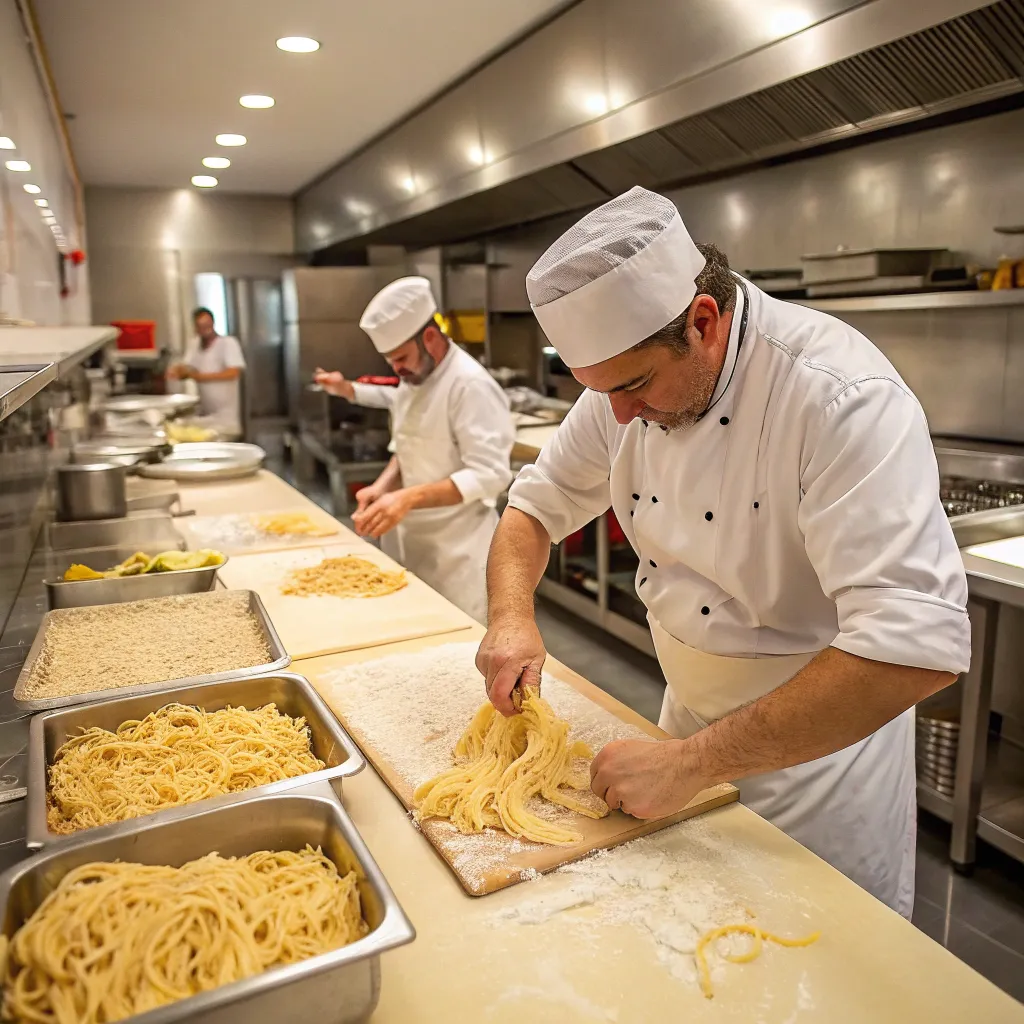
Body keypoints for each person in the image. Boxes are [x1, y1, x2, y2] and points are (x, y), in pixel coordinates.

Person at [475, 186, 970, 917]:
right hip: (680, 734)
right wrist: (510, 615)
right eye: (596, 390)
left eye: (634, 385)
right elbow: (533, 509)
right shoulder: (622, 389)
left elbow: (913, 650)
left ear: (704, 321)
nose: (619, 416)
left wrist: (695, 764)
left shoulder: (839, 397)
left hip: (817, 767)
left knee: (815, 971)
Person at [314, 276, 515, 624]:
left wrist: (407, 498)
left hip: (458, 554)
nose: (397, 369)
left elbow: (490, 475)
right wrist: (382, 488)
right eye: (391, 361)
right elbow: (409, 446)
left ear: (431, 337)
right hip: (411, 543)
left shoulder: (470, 386)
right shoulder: (414, 378)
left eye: (402, 358)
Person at [167, 307, 246, 436]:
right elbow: (187, 368)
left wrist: (199, 376)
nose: (205, 329)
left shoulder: (228, 344)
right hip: (206, 414)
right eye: (201, 326)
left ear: (213, 324)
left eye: (207, 325)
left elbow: (233, 373)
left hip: (225, 419)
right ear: (195, 328)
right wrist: (176, 371)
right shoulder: (195, 344)